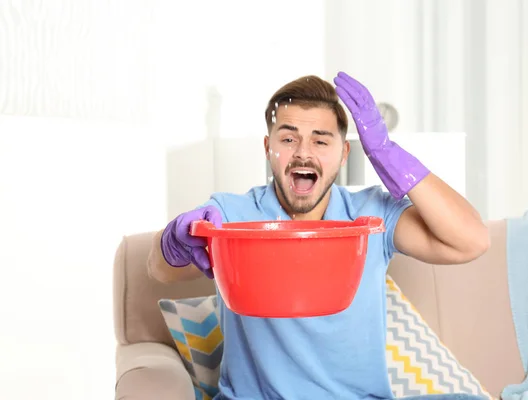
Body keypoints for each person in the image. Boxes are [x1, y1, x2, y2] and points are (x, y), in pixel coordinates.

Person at [149, 72, 490, 400]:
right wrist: (174, 242)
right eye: (288, 138)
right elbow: (159, 270)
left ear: (344, 154)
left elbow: (472, 240)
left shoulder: (371, 213)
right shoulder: (233, 214)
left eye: (321, 141)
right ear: (268, 148)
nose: (303, 152)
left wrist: (386, 152)